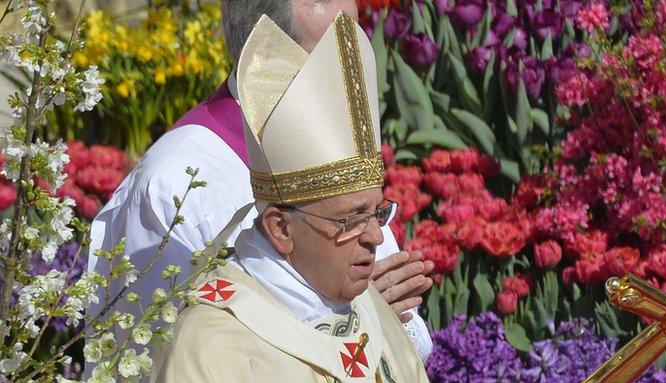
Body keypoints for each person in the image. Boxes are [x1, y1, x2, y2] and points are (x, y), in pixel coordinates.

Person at [107, 12, 530, 383]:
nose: (376, 239)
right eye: (348, 221)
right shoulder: (209, 350)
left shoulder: (363, 307)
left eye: (378, 213)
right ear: (280, 228)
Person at [86, 0, 436, 362]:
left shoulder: (337, 151)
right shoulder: (173, 186)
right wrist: (350, 320)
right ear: (263, 55)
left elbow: (406, 327)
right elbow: (164, 371)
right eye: (329, 62)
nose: (347, 82)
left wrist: (374, 319)